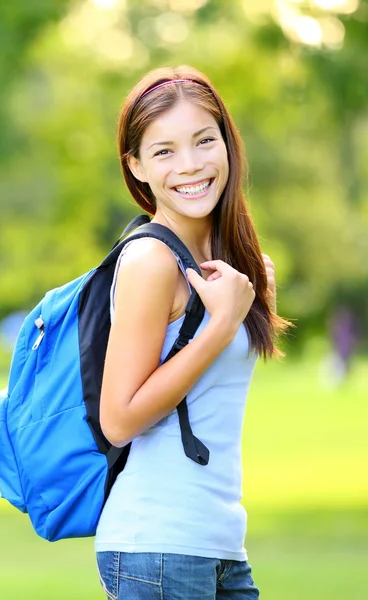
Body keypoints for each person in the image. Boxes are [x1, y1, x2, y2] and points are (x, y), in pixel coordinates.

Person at [95, 66, 290, 599]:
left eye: (205, 140)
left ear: (227, 142)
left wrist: (239, 305)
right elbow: (118, 419)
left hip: (219, 542)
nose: (191, 165)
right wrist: (220, 325)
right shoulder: (151, 261)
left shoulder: (237, 268)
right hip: (158, 546)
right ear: (135, 166)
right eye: (164, 151)